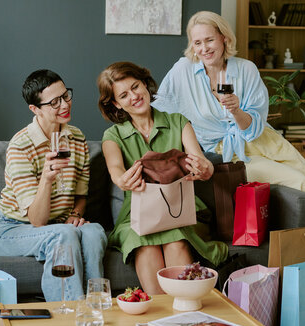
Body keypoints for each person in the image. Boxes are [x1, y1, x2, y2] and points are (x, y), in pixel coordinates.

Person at [153, 10, 305, 224]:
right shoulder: (182, 71)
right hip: (227, 154)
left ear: (224, 37)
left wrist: (236, 111)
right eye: (197, 42)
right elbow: (158, 108)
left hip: (263, 141)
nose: (204, 49)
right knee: (301, 182)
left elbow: (254, 127)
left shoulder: (246, 69)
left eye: (210, 40)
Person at [97, 61, 228, 294]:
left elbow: (203, 164)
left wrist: (204, 168)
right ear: (116, 103)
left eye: (136, 87)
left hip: (181, 210)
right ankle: (161, 319)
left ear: (146, 85)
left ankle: (185, 312)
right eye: (124, 95)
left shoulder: (178, 121)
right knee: (145, 245)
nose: (134, 96)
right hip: (136, 216)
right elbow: (115, 170)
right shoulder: (113, 135)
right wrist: (122, 180)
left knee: (175, 239)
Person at [0, 69, 107, 302]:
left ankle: (97, 309)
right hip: (12, 229)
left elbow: (81, 195)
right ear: (35, 109)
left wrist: (75, 215)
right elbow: (37, 221)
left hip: (58, 225)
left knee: (94, 232)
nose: (65, 104)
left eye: (66, 95)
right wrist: (46, 178)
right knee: (63, 235)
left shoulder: (76, 138)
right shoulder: (20, 146)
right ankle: (69, 317)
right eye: (54, 102)